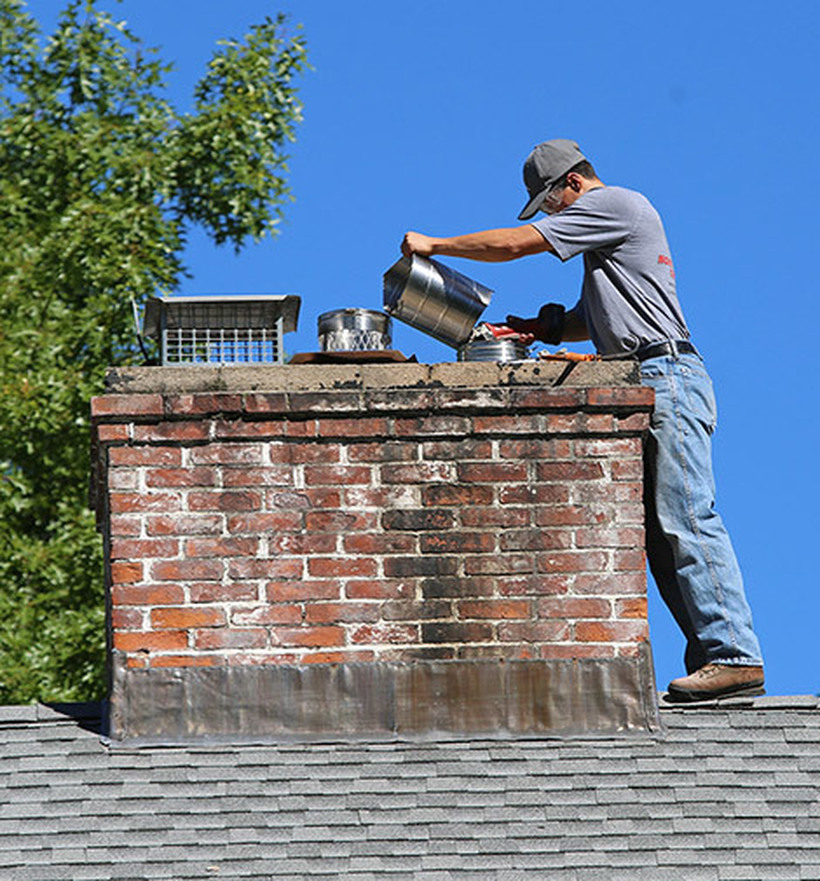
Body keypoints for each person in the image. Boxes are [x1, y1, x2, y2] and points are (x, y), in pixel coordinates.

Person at [400, 138, 764, 702]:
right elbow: (596, 317)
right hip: (649, 372)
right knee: (662, 535)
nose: (551, 216)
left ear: (572, 182)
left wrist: (436, 245)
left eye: (550, 203)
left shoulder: (614, 203)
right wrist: (540, 329)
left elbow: (516, 245)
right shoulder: (608, 230)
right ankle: (713, 658)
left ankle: (734, 654)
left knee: (687, 515)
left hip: (665, 374)